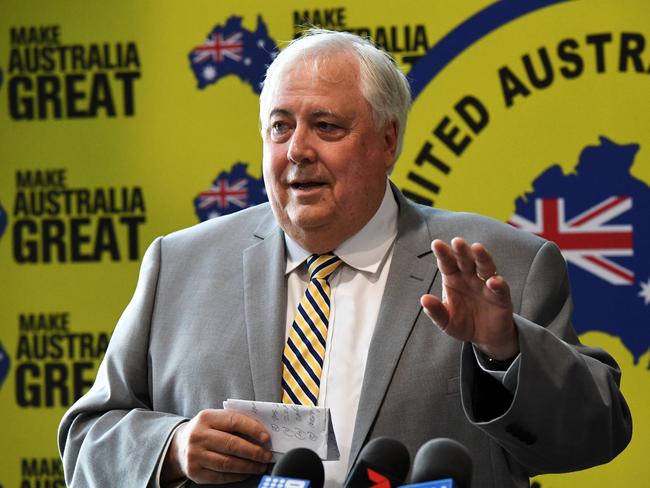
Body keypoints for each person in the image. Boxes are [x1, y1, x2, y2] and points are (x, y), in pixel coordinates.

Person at [58, 29, 632, 488]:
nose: (297, 150)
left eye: (326, 126)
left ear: (388, 141)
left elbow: (598, 434)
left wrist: (503, 351)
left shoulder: (500, 263)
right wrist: (173, 448)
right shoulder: (178, 265)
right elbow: (87, 437)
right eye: (279, 127)